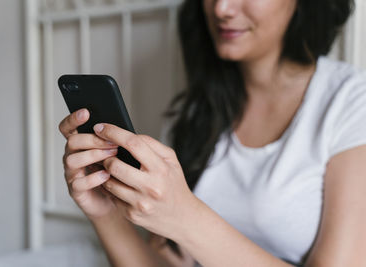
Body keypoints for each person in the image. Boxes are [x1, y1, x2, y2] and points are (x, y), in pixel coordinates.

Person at [58, 0, 366, 266]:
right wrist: (105, 213)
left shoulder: (350, 101)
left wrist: (184, 215)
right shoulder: (193, 114)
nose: (221, 9)